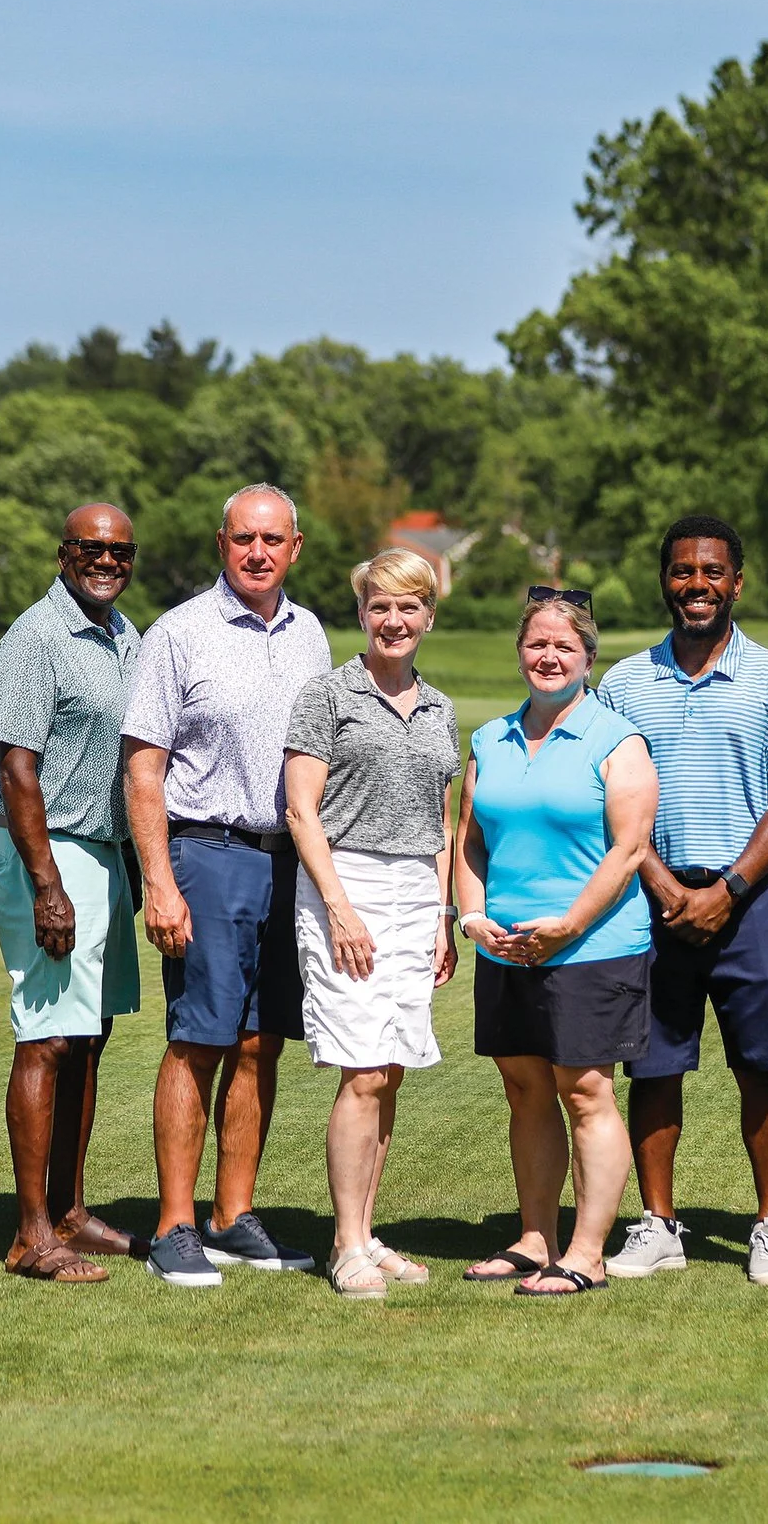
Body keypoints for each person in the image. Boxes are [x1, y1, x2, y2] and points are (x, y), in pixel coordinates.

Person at [597, 516, 768, 1288]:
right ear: (664, 579)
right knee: (653, 1066)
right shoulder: (626, 682)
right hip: (652, 898)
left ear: (738, 582)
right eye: (682, 572)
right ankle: (659, 1223)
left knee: (763, 1068)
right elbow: (614, 799)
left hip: (754, 902)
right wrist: (664, 883)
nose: (697, 586)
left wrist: (727, 889)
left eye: (712, 573)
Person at [122, 483, 333, 1286]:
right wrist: (161, 880)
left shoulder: (310, 633)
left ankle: (231, 1214)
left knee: (260, 1040)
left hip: (288, 858)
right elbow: (144, 768)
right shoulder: (180, 633)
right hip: (206, 852)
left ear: (295, 546)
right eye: (243, 538)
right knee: (199, 1038)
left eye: (271, 539)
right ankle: (174, 1224)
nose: (257, 552)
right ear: (222, 543)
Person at [456, 591, 658, 1297]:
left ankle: (587, 1252)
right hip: (504, 947)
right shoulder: (490, 740)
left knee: (585, 1090)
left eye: (563, 647)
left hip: (592, 947)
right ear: (521, 651)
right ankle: (535, 1237)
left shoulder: (618, 740)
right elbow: (470, 839)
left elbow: (629, 851)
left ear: (587, 657)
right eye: (537, 644)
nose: (548, 656)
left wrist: (567, 925)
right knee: (525, 1091)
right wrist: (471, 915)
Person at [282, 547, 462, 1298]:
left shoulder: (442, 706)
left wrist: (444, 914)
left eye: (409, 606)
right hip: (344, 882)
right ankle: (345, 1246)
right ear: (361, 614)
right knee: (360, 1070)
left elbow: (444, 821)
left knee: (389, 1071)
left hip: (417, 892)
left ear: (427, 616)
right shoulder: (327, 695)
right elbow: (301, 811)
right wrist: (341, 908)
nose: (394, 619)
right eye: (380, 606)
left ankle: (363, 1230)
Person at [0, 506, 145, 1286]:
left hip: (105, 854)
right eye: (92, 547)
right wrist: (48, 885)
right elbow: (18, 768)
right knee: (47, 1035)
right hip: (48, 852)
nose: (106, 560)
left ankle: (71, 1210)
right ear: (63, 553)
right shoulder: (36, 637)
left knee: (89, 1034)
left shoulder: (124, 634)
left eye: (120, 550)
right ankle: (31, 1232)